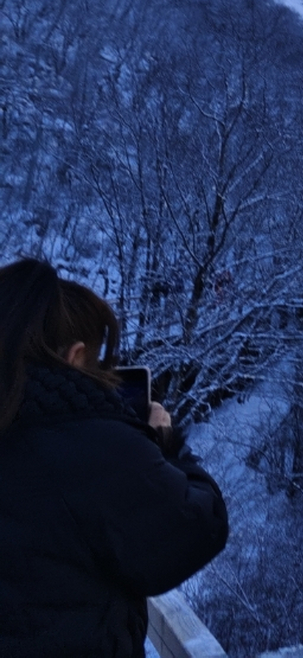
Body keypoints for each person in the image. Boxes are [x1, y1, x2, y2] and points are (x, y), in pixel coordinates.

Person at [0, 259, 228, 657]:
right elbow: (199, 525)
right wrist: (165, 442)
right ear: (74, 357)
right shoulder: (93, 445)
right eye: (97, 365)